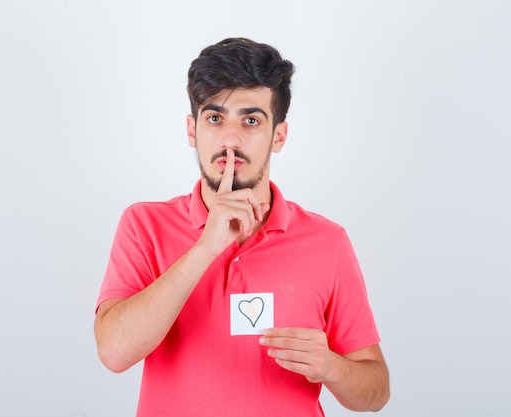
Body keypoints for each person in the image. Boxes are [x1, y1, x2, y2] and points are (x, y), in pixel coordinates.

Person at [94, 37, 389, 416]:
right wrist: (205, 247)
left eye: (251, 120)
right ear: (191, 130)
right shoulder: (143, 224)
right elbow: (114, 353)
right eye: (215, 118)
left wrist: (332, 367)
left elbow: (375, 392)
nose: (230, 140)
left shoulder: (328, 242)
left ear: (278, 136)